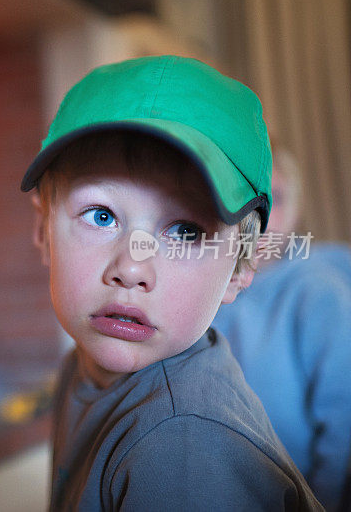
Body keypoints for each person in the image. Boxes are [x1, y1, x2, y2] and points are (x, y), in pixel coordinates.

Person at [21, 55, 323, 510]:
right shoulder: (79, 370)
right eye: (101, 216)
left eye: (185, 232)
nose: (132, 268)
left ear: (240, 268)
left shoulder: (182, 440)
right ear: (44, 231)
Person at [212, 147, 351, 511]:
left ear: (296, 211)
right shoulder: (207, 296)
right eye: (244, 199)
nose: (261, 216)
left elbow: (344, 423)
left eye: (277, 199)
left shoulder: (318, 292)